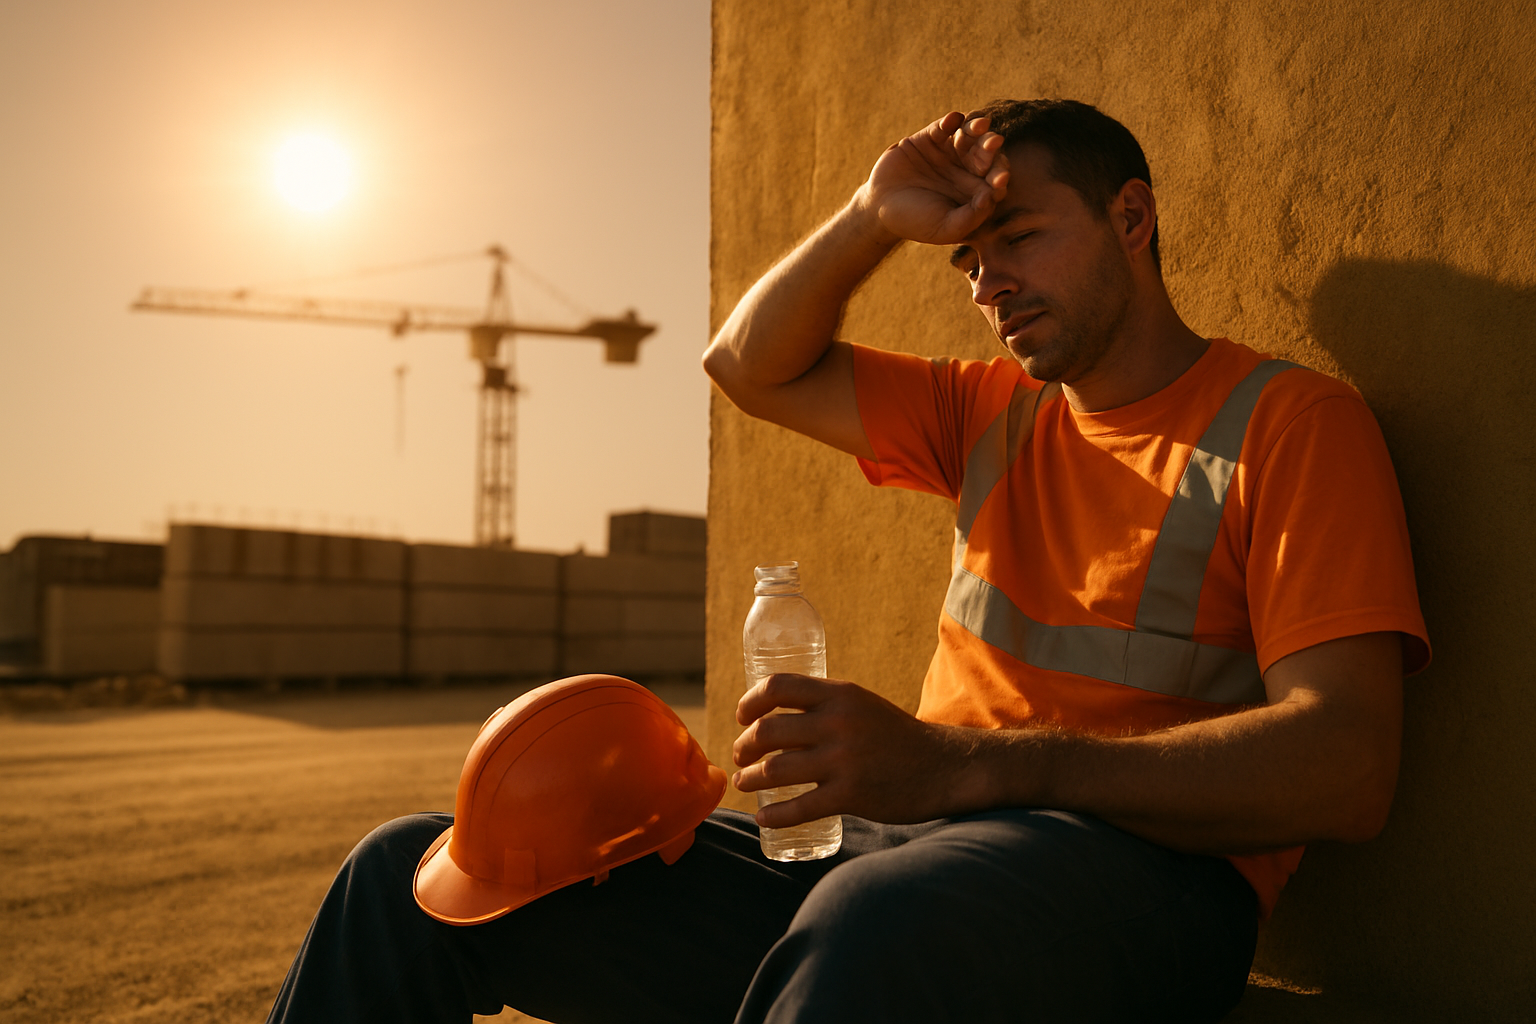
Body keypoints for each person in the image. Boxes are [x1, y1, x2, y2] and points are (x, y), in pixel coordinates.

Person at [266, 99, 1429, 1024]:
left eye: (1020, 238)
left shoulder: (1290, 424)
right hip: (910, 848)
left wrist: (962, 767)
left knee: (878, 916)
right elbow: (748, 365)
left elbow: (1347, 764)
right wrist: (873, 216)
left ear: (1133, 218)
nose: (988, 284)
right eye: (967, 260)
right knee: (413, 876)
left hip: (1152, 882)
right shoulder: (988, 411)